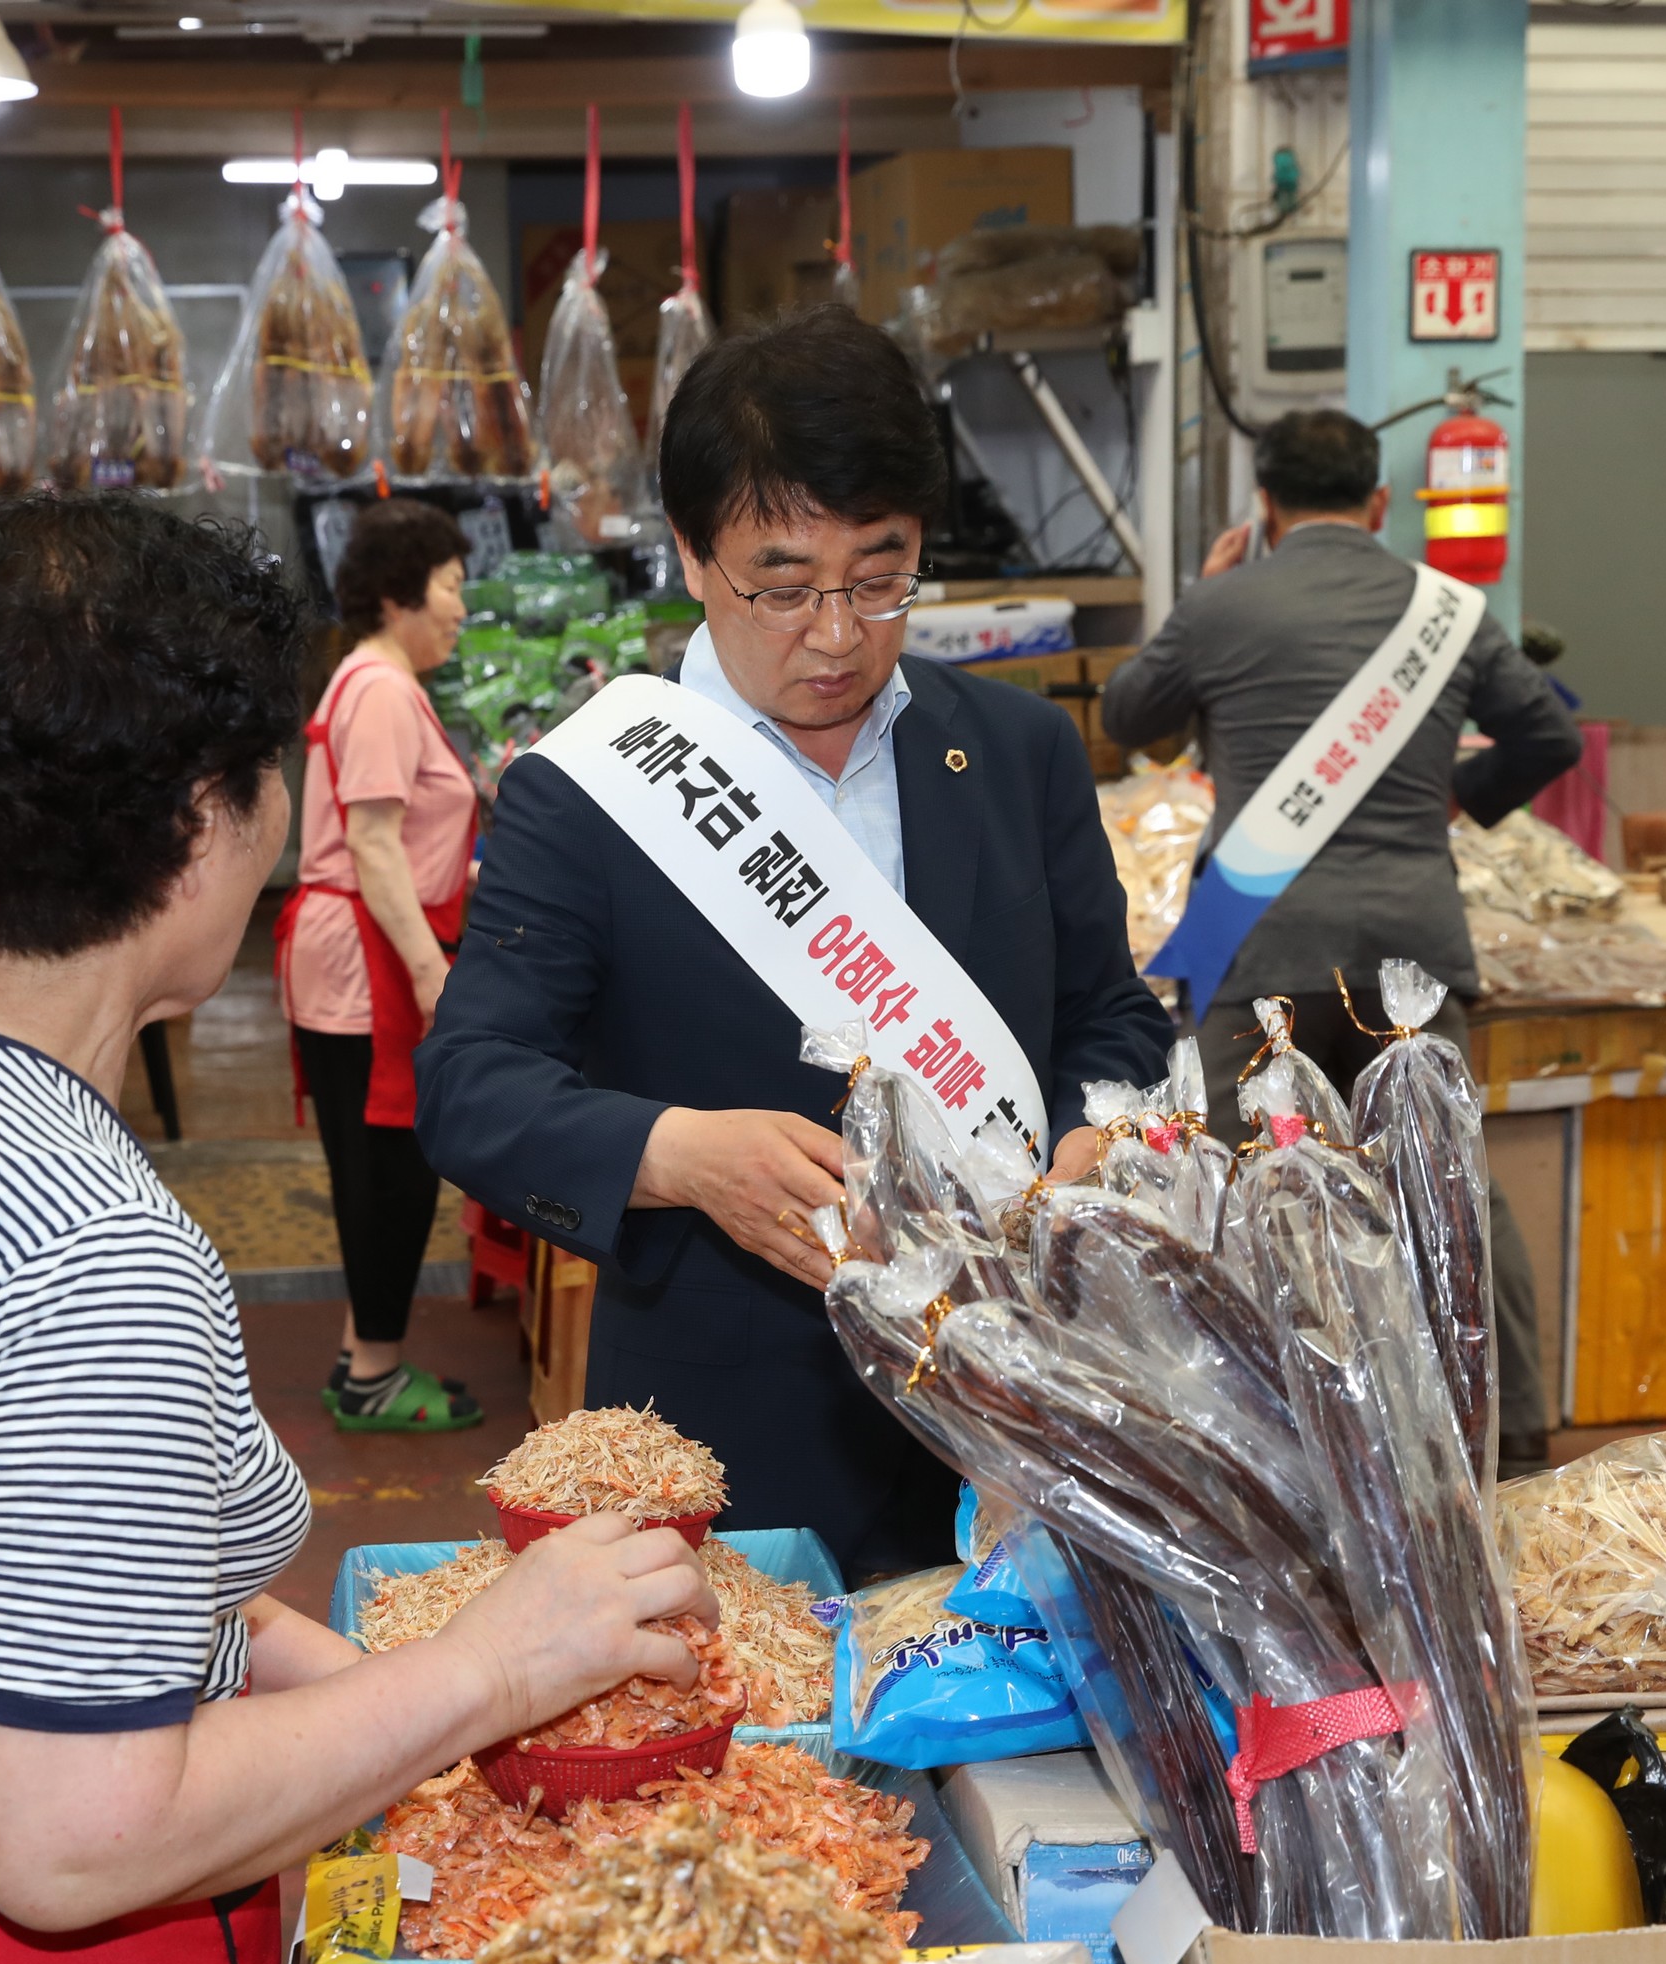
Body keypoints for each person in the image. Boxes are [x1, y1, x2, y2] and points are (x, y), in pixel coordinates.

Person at [0, 496, 714, 1964]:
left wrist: (419, 1709)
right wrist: (491, 1668)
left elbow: (38, 1586)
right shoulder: (88, 1254)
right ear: (207, 821)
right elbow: (65, 1844)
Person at [416, 306, 1173, 1577]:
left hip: (1015, 1411)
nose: (836, 632)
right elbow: (472, 1085)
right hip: (735, 1438)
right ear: (692, 556)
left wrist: (1107, 1130)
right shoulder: (593, 785)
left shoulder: (1015, 752)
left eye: (882, 579)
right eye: (783, 583)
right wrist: (676, 1152)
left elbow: (1112, 1021)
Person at [1099, 406, 1581, 1465]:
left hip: (1263, 945)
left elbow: (1128, 716)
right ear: (1379, 503)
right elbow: (1549, 733)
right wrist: (1454, 794)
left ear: (1265, 506)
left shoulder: (1227, 603)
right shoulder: (1450, 611)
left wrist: (1201, 593)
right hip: (1410, 946)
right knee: (1450, 1184)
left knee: (1235, 1182)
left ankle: (1246, 1435)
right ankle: (1522, 1433)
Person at [276, 499, 482, 1433]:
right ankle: (374, 1375)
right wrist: (430, 968)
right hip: (368, 960)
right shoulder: (382, 690)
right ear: (400, 595)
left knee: (379, 1160)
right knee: (387, 1167)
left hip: (362, 950)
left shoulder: (372, 681)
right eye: (450, 587)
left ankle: (366, 1353)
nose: (461, 609)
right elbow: (373, 844)